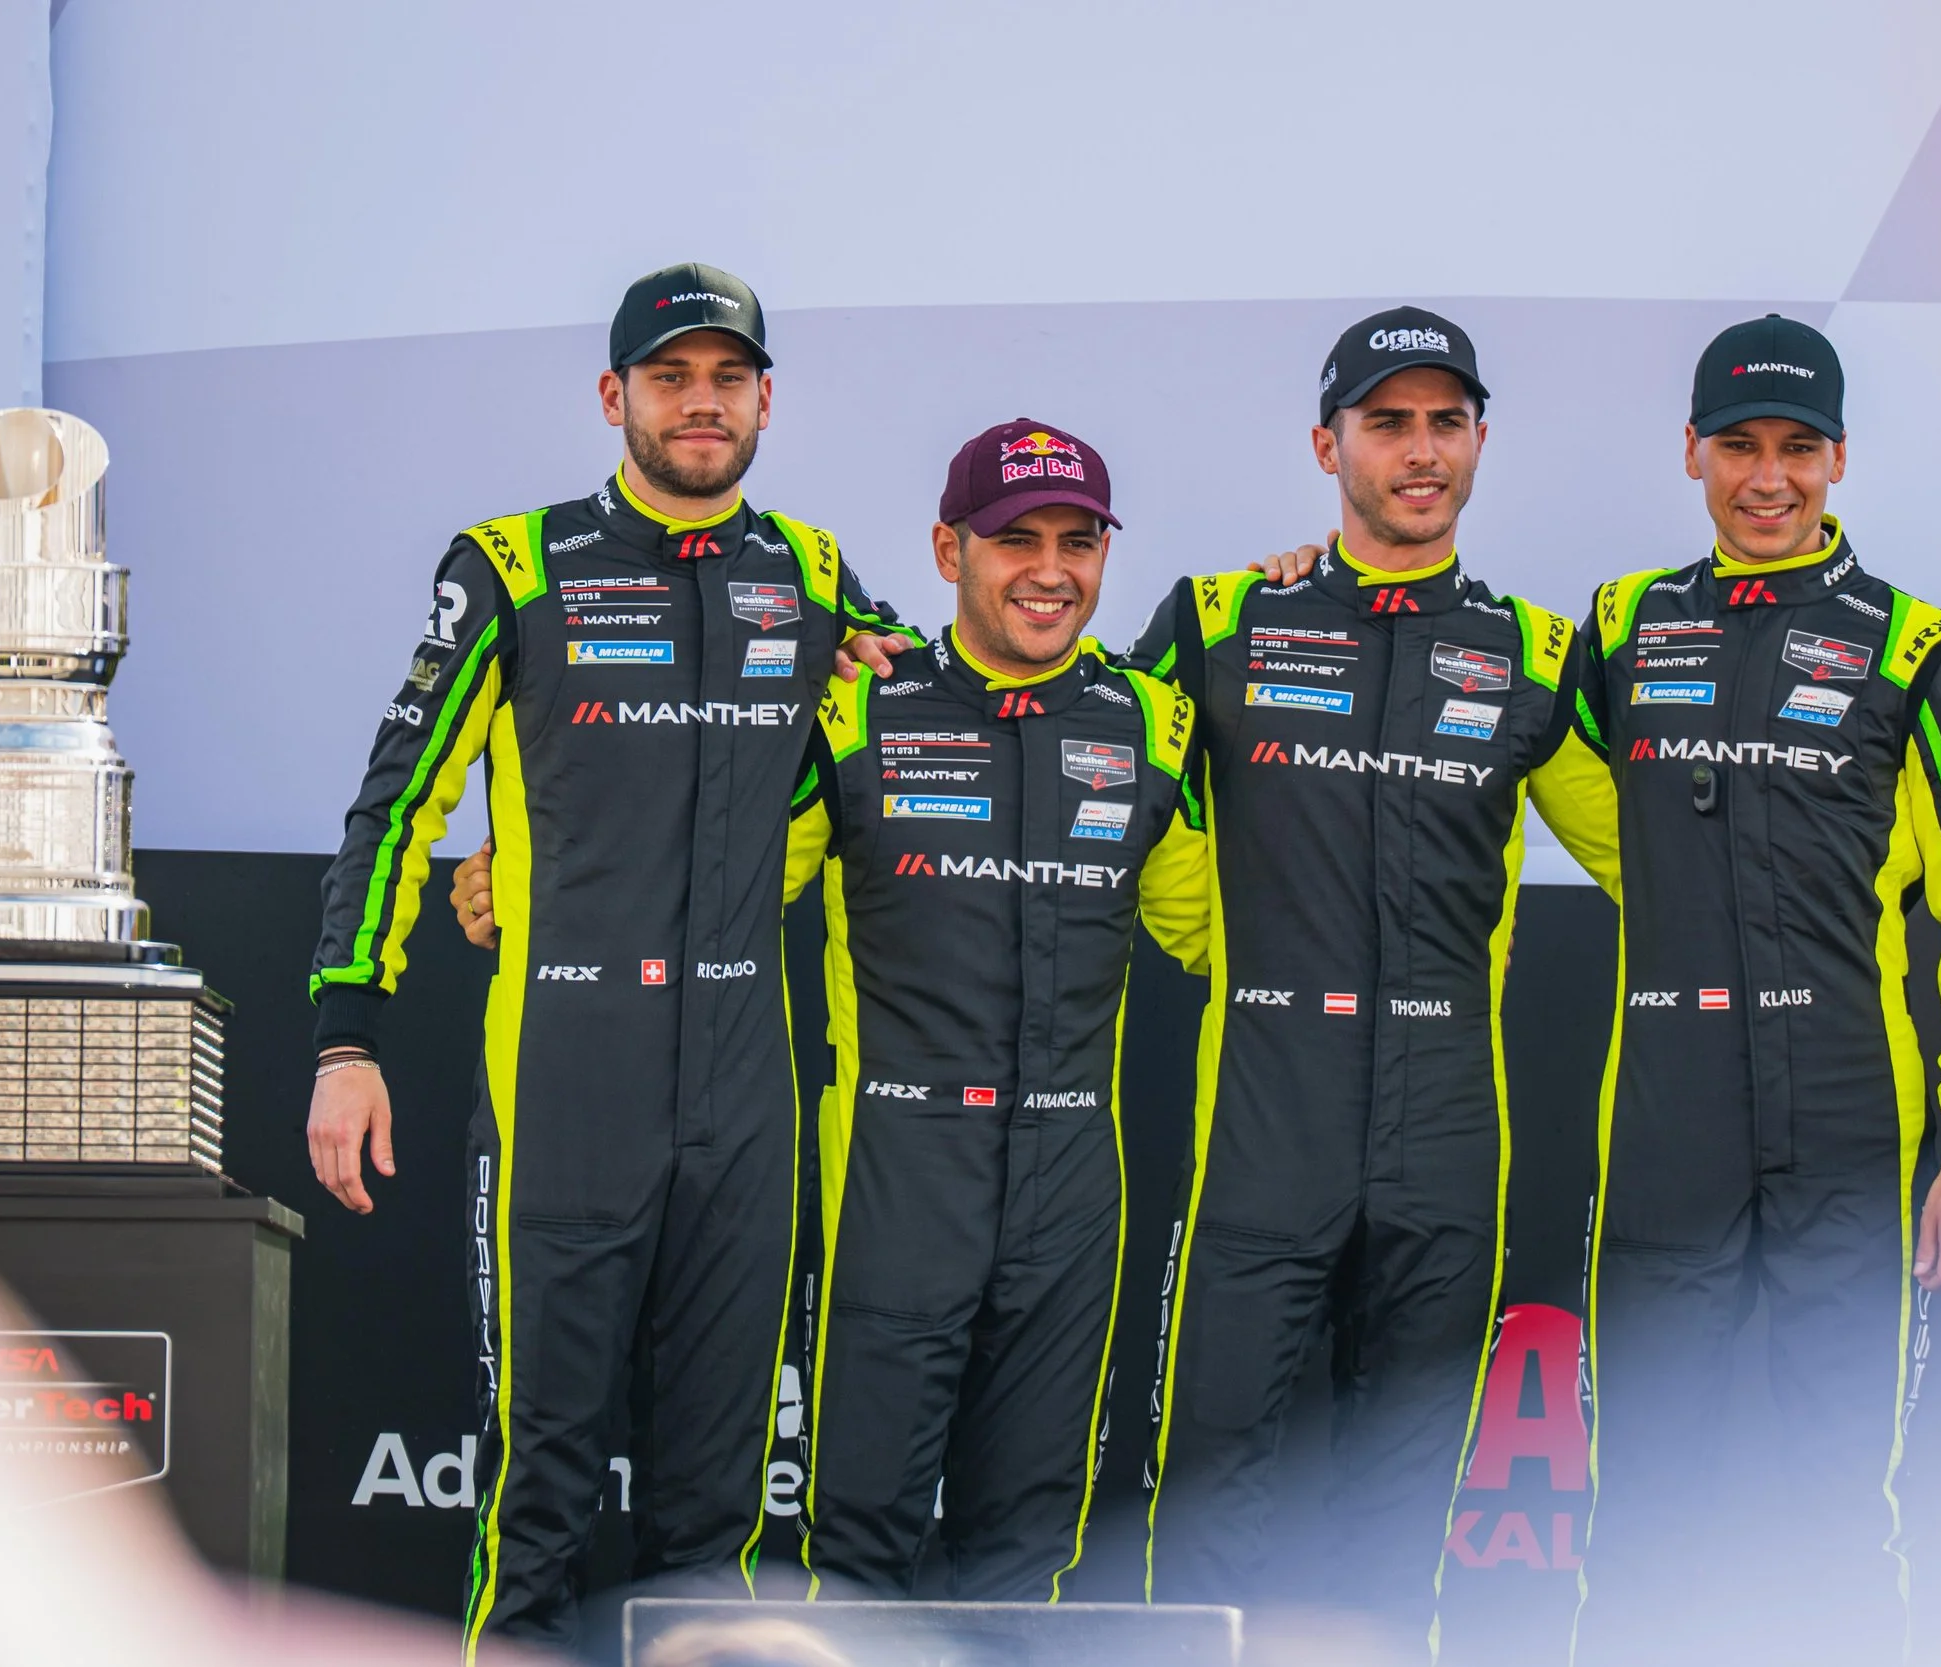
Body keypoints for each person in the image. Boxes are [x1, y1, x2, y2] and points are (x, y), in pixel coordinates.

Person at [454, 418, 1212, 1603]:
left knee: (1029, 1550)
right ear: (948, 549)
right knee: (855, 1552)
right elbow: (722, 875)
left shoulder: (1152, 727)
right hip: (895, 1173)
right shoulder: (857, 709)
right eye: (1016, 541)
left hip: (1071, 1178)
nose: (1049, 570)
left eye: (1077, 542)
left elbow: (1221, 926)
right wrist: (536, 880)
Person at [305, 262, 907, 1655]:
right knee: (539, 1496)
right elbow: (397, 802)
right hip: (566, 1086)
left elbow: (947, 699)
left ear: (765, 401)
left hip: (744, 1100)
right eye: (670, 377)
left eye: (728, 378)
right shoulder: (513, 566)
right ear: (613, 394)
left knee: (717, 1518)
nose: (701, 402)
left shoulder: (813, 575)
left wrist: (1302, 576)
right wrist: (347, 1036)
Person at [1122, 307, 1618, 1646]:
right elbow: (1092, 783)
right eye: (1387, 422)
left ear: (1480, 441)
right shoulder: (1224, 616)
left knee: (1404, 1494)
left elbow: (1666, 858)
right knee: (1217, 1473)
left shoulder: (1537, 651)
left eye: (1446, 422)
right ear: (1326, 443)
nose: (1420, 450)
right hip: (1265, 1109)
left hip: (1444, 1115)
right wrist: (1223, 946)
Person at [1566, 315, 1941, 1664]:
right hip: (1667, 1114)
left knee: (1837, 1501)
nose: (1766, 478)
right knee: (1640, 1504)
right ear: (1692, 453)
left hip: (1844, 1110)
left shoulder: (1923, 647)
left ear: (1838, 459)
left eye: (1796, 448)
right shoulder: (1621, 622)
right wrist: (1311, 579)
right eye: (1737, 446)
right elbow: (1521, 749)